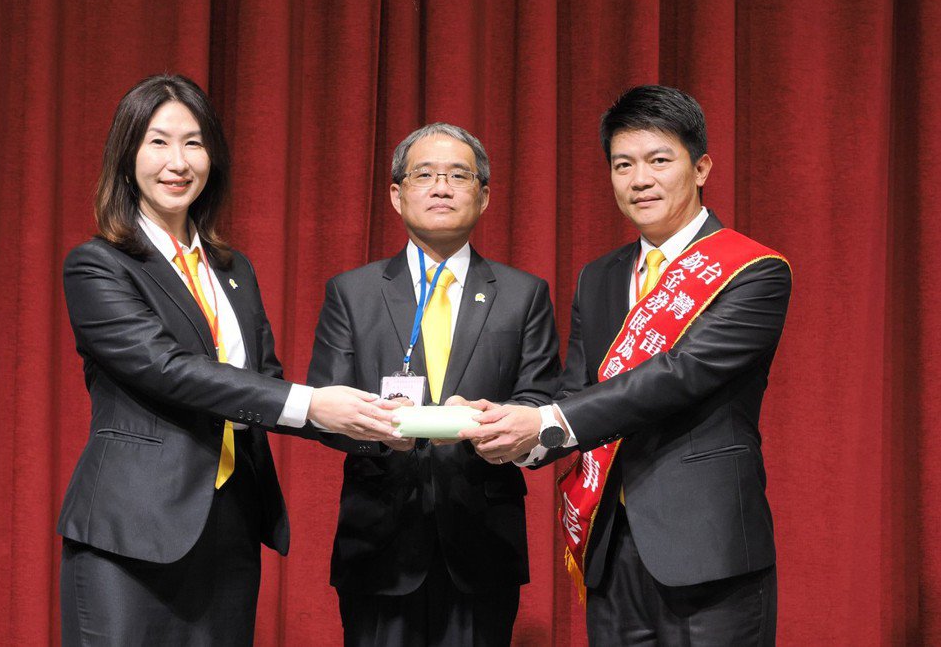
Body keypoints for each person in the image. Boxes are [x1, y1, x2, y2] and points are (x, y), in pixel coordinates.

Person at [57, 74, 398, 645]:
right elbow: (165, 368)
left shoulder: (233, 270)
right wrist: (314, 403)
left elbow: (264, 385)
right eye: (158, 142)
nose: (178, 162)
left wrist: (376, 425)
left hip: (229, 529)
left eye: (193, 143)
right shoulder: (98, 265)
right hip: (129, 533)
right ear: (127, 157)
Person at [460, 86, 791, 645]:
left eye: (659, 160)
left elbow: (679, 374)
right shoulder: (600, 276)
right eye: (623, 165)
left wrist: (544, 422)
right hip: (610, 547)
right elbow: (574, 390)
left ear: (701, 168)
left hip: (708, 546)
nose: (640, 180)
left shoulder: (753, 270)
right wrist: (508, 430)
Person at [306, 123, 561, 646]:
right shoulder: (352, 292)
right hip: (379, 542)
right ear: (396, 195)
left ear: (484, 196)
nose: (441, 187)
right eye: (424, 175)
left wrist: (493, 424)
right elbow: (325, 409)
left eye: (458, 176)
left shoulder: (524, 294)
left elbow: (540, 400)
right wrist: (379, 434)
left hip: (483, 540)